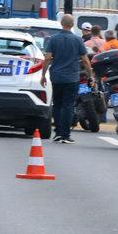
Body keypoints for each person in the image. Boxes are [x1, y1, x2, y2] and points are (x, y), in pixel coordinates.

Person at [40, 14, 94, 144]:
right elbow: (85, 60)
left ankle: (58, 133)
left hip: (56, 77)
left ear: (61, 23)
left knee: (57, 105)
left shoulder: (53, 39)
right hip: (72, 78)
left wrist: (43, 75)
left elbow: (47, 58)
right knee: (68, 105)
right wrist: (90, 75)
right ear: (72, 24)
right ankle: (66, 135)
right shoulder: (78, 40)